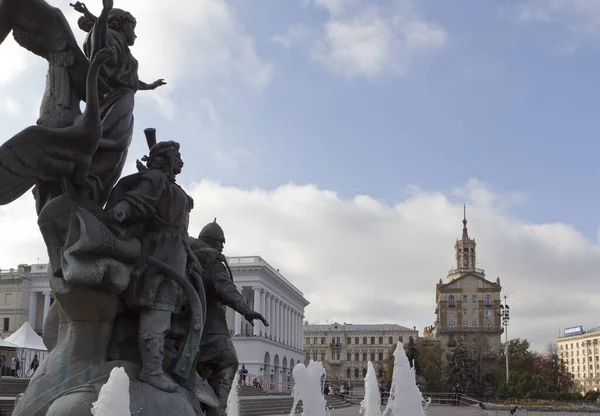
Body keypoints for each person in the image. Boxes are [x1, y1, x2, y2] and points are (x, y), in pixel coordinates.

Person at [106, 139, 193, 392]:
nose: (181, 162)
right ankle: (151, 369)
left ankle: (158, 363)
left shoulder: (167, 183)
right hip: (159, 254)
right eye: (177, 157)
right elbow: (139, 199)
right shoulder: (156, 178)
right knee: (157, 310)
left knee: (165, 313)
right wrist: (123, 208)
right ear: (165, 159)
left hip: (175, 255)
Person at [190, 220, 268, 416]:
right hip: (207, 325)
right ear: (216, 242)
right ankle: (217, 410)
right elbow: (224, 286)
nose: (222, 247)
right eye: (221, 243)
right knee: (227, 359)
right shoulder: (210, 258)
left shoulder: (185, 249)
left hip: (185, 320)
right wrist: (245, 309)